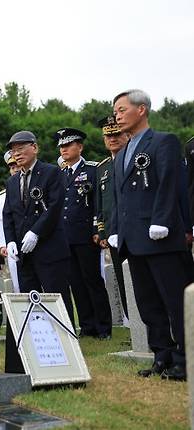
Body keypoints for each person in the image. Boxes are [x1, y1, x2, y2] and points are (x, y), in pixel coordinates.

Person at [109, 89, 192, 381]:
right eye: (115, 110)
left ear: (141, 109)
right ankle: (162, 355)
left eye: (121, 109)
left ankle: (185, 358)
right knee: (148, 303)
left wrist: (162, 221)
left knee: (175, 302)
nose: (116, 115)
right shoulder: (121, 155)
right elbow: (119, 199)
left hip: (161, 237)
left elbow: (170, 184)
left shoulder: (163, 141)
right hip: (133, 240)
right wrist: (115, 230)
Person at [2, 131, 74, 320]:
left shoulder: (51, 172)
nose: (16, 154)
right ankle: (38, 343)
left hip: (49, 248)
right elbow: (8, 214)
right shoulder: (12, 181)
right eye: (13, 151)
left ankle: (65, 339)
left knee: (56, 295)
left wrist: (36, 232)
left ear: (34, 148)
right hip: (24, 253)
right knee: (29, 298)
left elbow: (55, 206)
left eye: (20, 149)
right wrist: (10, 241)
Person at [56, 128, 112, 339]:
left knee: (92, 280)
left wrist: (97, 229)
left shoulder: (92, 170)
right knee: (76, 284)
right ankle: (87, 325)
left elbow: (98, 202)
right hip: (66, 237)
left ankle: (103, 326)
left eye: (68, 145)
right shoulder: (59, 174)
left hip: (86, 235)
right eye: (61, 146)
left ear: (79, 146)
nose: (64, 150)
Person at [95, 115, 130, 317]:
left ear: (125, 134)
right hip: (113, 232)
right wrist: (102, 230)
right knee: (122, 279)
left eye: (116, 134)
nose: (113, 139)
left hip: (134, 230)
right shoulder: (102, 168)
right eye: (108, 136)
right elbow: (101, 203)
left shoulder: (133, 158)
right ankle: (132, 325)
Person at [0, 150, 21, 292]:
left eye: (17, 165)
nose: (15, 169)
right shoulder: (4, 195)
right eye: (12, 167)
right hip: (12, 244)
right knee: (16, 282)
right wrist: (2, 244)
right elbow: (1, 219)